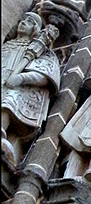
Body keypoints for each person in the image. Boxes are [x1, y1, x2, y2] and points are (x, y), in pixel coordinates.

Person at [1, 12, 61, 169]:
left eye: (28, 22)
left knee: (9, 99)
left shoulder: (41, 51)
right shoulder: (7, 45)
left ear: (35, 29)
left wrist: (21, 78)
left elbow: (46, 75)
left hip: (19, 88)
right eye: (22, 20)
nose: (23, 23)